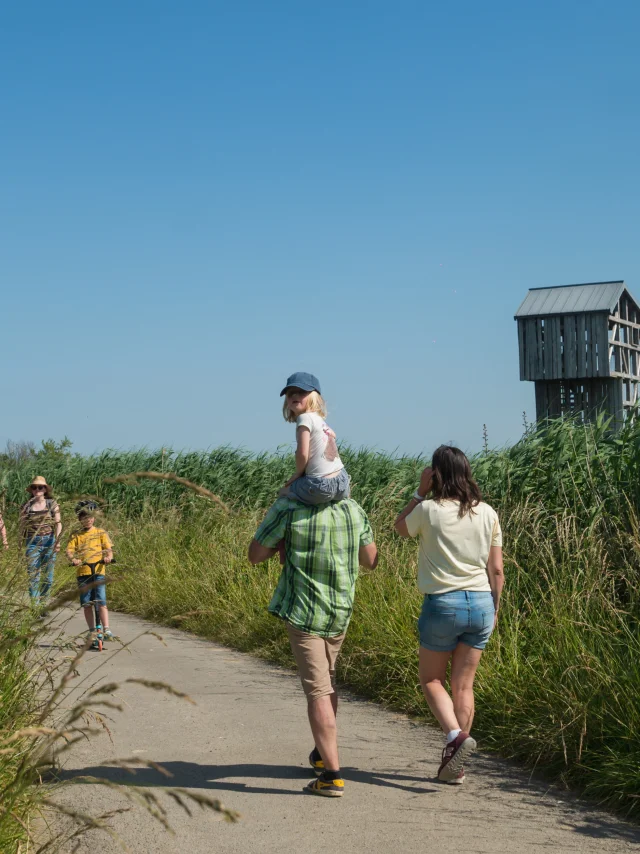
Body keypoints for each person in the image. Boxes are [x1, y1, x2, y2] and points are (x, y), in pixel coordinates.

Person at [248, 495, 378, 798]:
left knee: (318, 689)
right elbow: (370, 560)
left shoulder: (289, 507)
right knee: (327, 681)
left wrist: (284, 543)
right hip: (340, 609)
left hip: (304, 611)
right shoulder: (352, 508)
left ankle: (332, 776)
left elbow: (255, 555)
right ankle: (322, 753)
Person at [394, 446, 504, 785]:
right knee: (463, 685)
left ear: (436, 474)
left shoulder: (427, 510)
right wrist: (495, 610)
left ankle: (455, 737)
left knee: (431, 681)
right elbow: (496, 569)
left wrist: (418, 491)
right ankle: (456, 767)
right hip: (482, 603)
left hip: (443, 603)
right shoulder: (487, 512)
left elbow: (399, 528)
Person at [278, 372, 350, 505]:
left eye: (301, 392)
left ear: (314, 397)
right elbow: (332, 435)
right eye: (290, 393)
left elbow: (302, 453)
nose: (295, 395)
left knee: (284, 491)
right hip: (342, 482)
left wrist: (298, 474)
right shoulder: (320, 420)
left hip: (320, 486)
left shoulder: (304, 418)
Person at [66, 507, 114, 645]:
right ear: (80, 520)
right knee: (87, 604)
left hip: (98, 571)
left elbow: (108, 549)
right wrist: (74, 559)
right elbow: (69, 551)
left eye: (90, 517)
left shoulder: (100, 532)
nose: (88, 520)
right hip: (83, 573)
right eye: (84, 518)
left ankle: (106, 629)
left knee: (101, 601)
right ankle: (92, 630)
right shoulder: (76, 535)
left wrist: (108, 557)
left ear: (94, 518)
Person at [20, 476, 62, 607]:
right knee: (34, 576)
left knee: (48, 577)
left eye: (40, 487)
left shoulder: (52, 504)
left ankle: (44, 603)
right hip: (32, 542)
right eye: (34, 487)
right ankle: (35, 606)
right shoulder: (26, 506)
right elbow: (21, 526)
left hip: (49, 540)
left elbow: (58, 523)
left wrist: (58, 541)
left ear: (45, 489)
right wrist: (19, 543)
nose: (37, 489)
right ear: (31, 490)